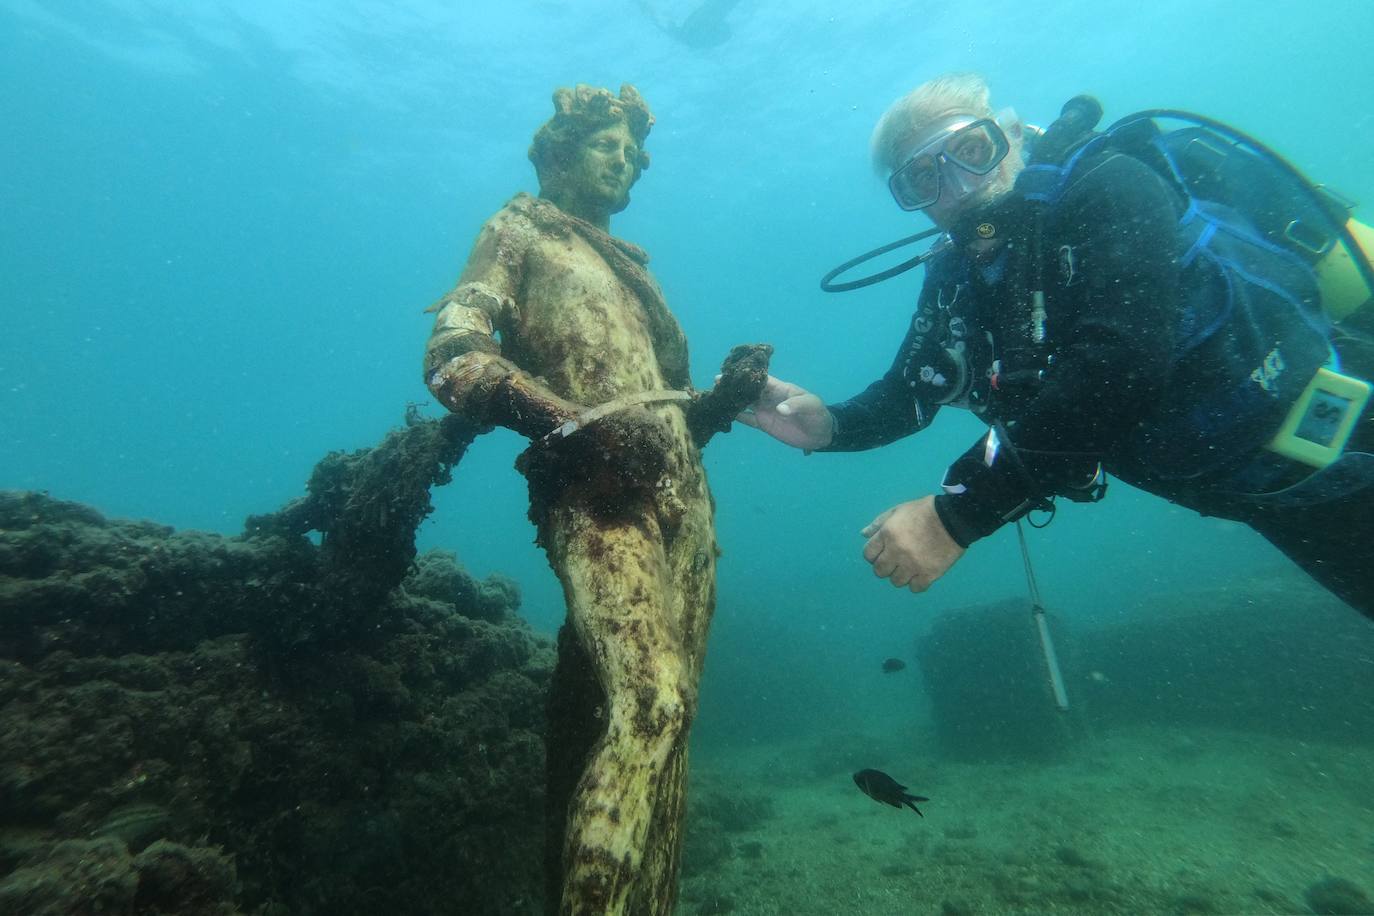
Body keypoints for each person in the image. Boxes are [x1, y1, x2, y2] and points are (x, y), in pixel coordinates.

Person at [738, 73, 1374, 620]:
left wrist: (958, 514)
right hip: (1262, 498)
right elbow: (912, 392)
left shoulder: (1108, 186)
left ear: (1012, 135)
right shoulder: (958, 275)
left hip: (1349, 437)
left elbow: (1122, 365)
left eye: (970, 150)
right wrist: (830, 426)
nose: (956, 187)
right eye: (922, 179)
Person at [423, 84, 723, 914]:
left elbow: (670, 400)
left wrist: (724, 402)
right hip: (596, 492)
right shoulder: (519, 230)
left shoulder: (631, 268)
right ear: (560, 151)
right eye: (604, 145)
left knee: (675, 731)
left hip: (688, 501)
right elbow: (453, 355)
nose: (623, 161)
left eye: (631, 152)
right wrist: (571, 427)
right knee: (651, 701)